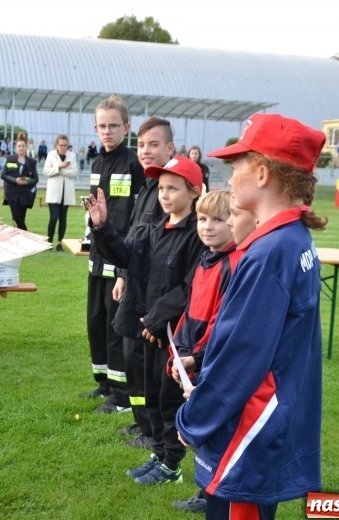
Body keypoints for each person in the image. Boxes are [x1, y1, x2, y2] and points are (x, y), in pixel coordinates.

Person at [176, 113, 327, 520]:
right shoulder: (290, 238)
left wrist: (194, 419)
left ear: (262, 174)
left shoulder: (268, 252)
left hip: (253, 421)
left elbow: (243, 355)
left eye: (237, 167)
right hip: (268, 416)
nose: (229, 176)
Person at [87, 155, 204, 485]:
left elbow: (189, 288)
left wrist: (155, 321)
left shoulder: (197, 234)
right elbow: (125, 256)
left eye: (173, 188)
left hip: (169, 334)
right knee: (147, 393)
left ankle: (172, 466)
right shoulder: (154, 229)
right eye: (162, 188)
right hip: (144, 329)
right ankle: (159, 452)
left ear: (194, 191)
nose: (164, 195)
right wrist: (102, 227)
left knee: (168, 400)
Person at [169, 191, 254, 516]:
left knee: (218, 436)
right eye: (202, 219)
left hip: (211, 364)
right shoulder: (205, 260)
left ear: (233, 223)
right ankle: (205, 493)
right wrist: (178, 350)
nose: (208, 227)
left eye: (218, 220)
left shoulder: (233, 265)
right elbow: (191, 312)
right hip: (193, 359)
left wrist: (197, 357)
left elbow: (222, 325)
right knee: (204, 437)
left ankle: (217, 503)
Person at [80, 95, 145, 414]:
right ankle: (104, 382)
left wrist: (124, 272)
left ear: (126, 127)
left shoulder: (134, 163)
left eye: (113, 126)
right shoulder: (96, 162)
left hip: (120, 260)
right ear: (95, 128)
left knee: (116, 327)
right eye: (102, 126)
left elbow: (139, 216)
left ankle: (121, 395)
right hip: (97, 256)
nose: (107, 131)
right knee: (96, 321)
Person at [118, 116, 175, 447]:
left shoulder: (172, 186)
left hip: (155, 293)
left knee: (149, 365)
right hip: (136, 284)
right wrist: (124, 276)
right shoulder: (149, 185)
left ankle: (154, 431)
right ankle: (142, 424)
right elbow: (137, 239)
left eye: (154, 144)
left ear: (170, 147)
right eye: (141, 145)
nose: (146, 151)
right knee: (132, 359)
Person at [44, 133, 78, 250]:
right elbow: (46, 171)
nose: (63, 147)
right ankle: (49, 242)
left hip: (66, 192)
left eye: (65, 145)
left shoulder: (72, 156)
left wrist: (62, 171)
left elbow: (74, 173)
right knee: (53, 217)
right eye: (61, 145)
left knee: (63, 218)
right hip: (54, 192)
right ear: (56, 145)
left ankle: (60, 243)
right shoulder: (51, 155)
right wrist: (59, 167)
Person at [1, 132, 39, 230]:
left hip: (25, 195)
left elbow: (35, 179)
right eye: (19, 146)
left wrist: (26, 182)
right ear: (15, 147)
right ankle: (27, 234)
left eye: (23, 146)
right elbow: (3, 175)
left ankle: (20, 240)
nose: (21, 148)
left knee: (22, 218)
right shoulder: (10, 159)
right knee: (16, 217)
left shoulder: (32, 162)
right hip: (12, 194)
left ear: (26, 147)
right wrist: (15, 180)